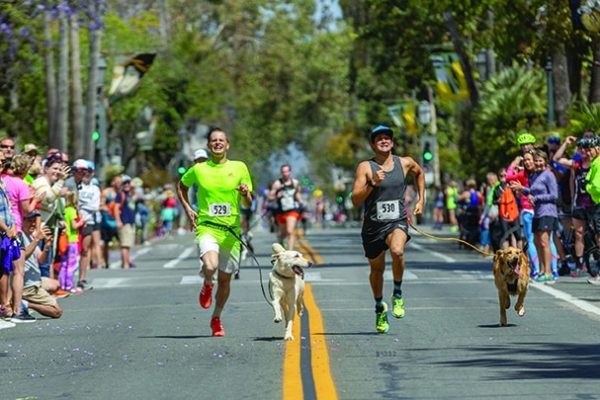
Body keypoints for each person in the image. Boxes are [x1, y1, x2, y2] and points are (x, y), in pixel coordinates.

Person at [176, 127, 253, 337]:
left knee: (226, 280)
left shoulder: (239, 168)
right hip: (208, 227)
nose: (217, 143)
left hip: (231, 232)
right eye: (213, 141)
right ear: (209, 146)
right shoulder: (199, 170)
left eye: (221, 140)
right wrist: (188, 208)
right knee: (210, 265)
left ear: (227, 145)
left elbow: (248, 202)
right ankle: (207, 283)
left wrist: (246, 194)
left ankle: (216, 318)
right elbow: (181, 186)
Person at [351, 125, 425, 334]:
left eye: (387, 138)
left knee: (397, 251)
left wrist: (421, 200)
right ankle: (379, 307)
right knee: (377, 270)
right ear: (373, 145)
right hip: (373, 226)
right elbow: (355, 199)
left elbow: (420, 174)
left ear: (392, 143)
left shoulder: (405, 163)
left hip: (397, 221)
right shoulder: (365, 167)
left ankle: (398, 294)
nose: (384, 141)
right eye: (379, 139)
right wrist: (372, 184)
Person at [510, 149, 559, 284]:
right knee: (537, 241)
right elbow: (532, 192)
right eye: (535, 160)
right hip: (537, 212)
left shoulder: (549, 175)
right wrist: (522, 188)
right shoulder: (534, 176)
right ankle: (542, 271)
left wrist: (537, 198)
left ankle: (549, 272)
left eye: (540, 160)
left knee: (544, 242)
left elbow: (554, 195)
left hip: (548, 211)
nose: (537, 163)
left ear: (545, 161)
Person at [20, 211, 63, 318]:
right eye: (29, 221)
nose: (33, 224)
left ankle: (27, 299)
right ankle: (26, 304)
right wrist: (37, 239)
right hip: (28, 285)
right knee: (57, 312)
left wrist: (47, 246)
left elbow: (41, 260)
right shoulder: (20, 235)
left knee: (56, 284)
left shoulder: (29, 236)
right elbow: (22, 257)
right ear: (21, 221)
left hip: (36, 280)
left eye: (34, 221)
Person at [269, 164, 304, 250]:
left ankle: (289, 252)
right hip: (281, 211)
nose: (285, 173)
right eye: (283, 172)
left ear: (290, 172)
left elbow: (298, 194)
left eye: (287, 171)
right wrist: (277, 196)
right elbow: (270, 198)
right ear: (281, 173)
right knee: (283, 233)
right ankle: (281, 241)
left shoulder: (295, 183)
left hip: (292, 210)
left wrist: (300, 201)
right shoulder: (277, 184)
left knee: (290, 231)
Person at [584, 136, 600, 285]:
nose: (587, 152)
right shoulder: (595, 163)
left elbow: (597, 187)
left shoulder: (598, 163)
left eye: (590, 149)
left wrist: (587, 187)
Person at [114, 175, 137, 269]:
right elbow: (116, 208)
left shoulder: (129, 194)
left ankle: (127, 261)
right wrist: (118, 221)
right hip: (124, 222)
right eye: (125, 183)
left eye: (128, 183)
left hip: (130, 222)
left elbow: (136, 194)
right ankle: (125, 264)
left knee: (128, 244)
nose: (127, 185)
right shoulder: (121, 194)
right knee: (125, 244)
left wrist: (133, 186)